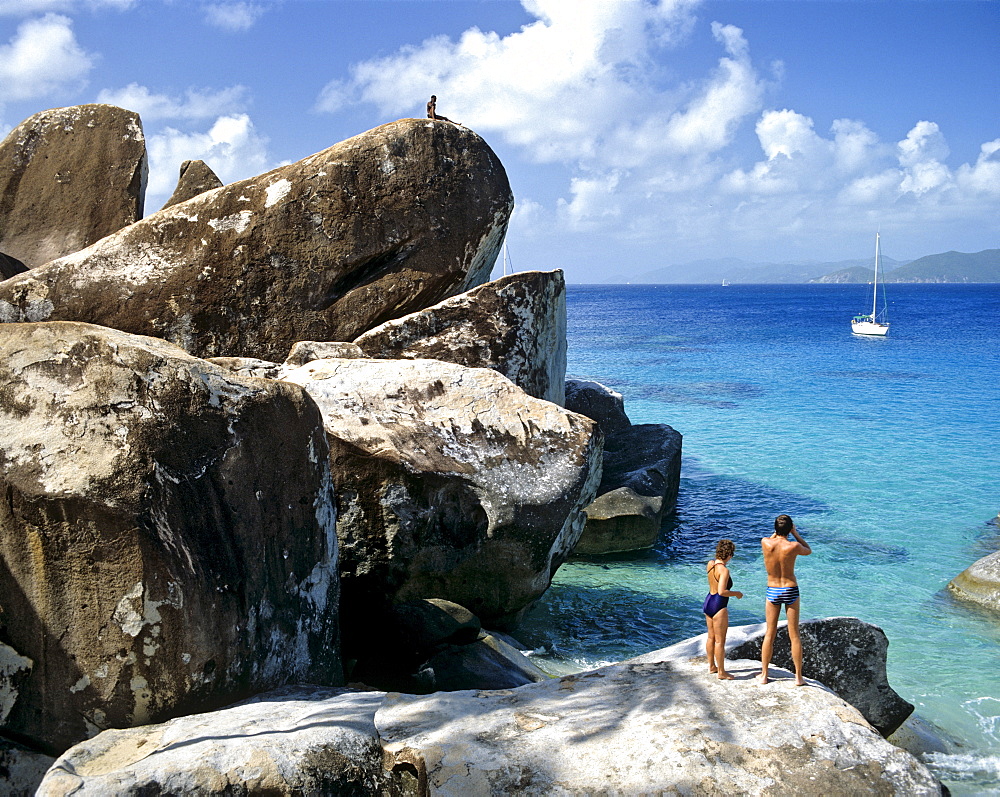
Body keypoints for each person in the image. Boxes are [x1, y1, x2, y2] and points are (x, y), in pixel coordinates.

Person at [759, 514, 812, 685]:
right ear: (790, 528)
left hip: (773, 589)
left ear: (775, 529)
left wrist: (778, 531)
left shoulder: (765, 543)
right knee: (794, 634)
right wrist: (795, 533)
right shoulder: (794, 546)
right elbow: (808, 549)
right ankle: (798, 677)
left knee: (770, 633)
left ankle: (764, 675)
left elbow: (771, 537)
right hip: (790, 588)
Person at [703, 539, 743, 680]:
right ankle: (721, 672)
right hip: (719, 605)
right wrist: (736, 593)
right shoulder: (724, 570)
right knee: (720, 641)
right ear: (729, 555)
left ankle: (712, 666)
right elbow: (722, 591)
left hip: (708, 601)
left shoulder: (710, 564)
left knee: (710, 637)